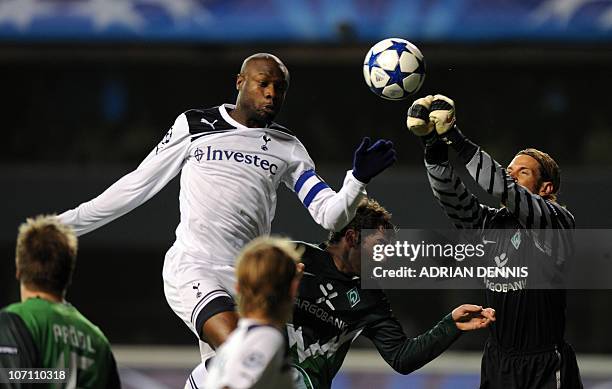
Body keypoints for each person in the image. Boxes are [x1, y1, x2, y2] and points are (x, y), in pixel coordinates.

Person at [56, 53, 396, 361]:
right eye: (263, 84)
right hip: (195, 268)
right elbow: (136, 186)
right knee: (244, 355)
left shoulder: (288, 148)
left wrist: (356, 180)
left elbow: (329, 215)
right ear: (240, 82)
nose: (271, 94)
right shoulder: (195, 126)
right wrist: (62, 226)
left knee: (235, 374)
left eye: (280, 88)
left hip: (249, 284)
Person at [407, 94, 582, 388]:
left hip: (545, 364)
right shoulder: (491, 223)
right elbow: (453, 199)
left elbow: (503, 188)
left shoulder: (555, 221)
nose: (511, 175)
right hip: (498, 361)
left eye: (521, 172)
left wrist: (454, 137)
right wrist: (432, 146)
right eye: (509, 170)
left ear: (546, 187)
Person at [286, 198, 496, 389]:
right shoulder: (293, 257)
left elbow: (401, 358)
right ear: (351, 237)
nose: (384, 258)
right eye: (379, 246)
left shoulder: (370, 298)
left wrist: (451, 325)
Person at [0, 215, 120, 389]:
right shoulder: (98, 340)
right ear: (67, 274)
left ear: (19, 271)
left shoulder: (14, 321)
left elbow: (11, 379)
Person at [187, 236, 303, 389]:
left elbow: (197, 380)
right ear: (293, 289)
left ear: (238, 289)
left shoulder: (233, 345)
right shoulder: (265, 338)